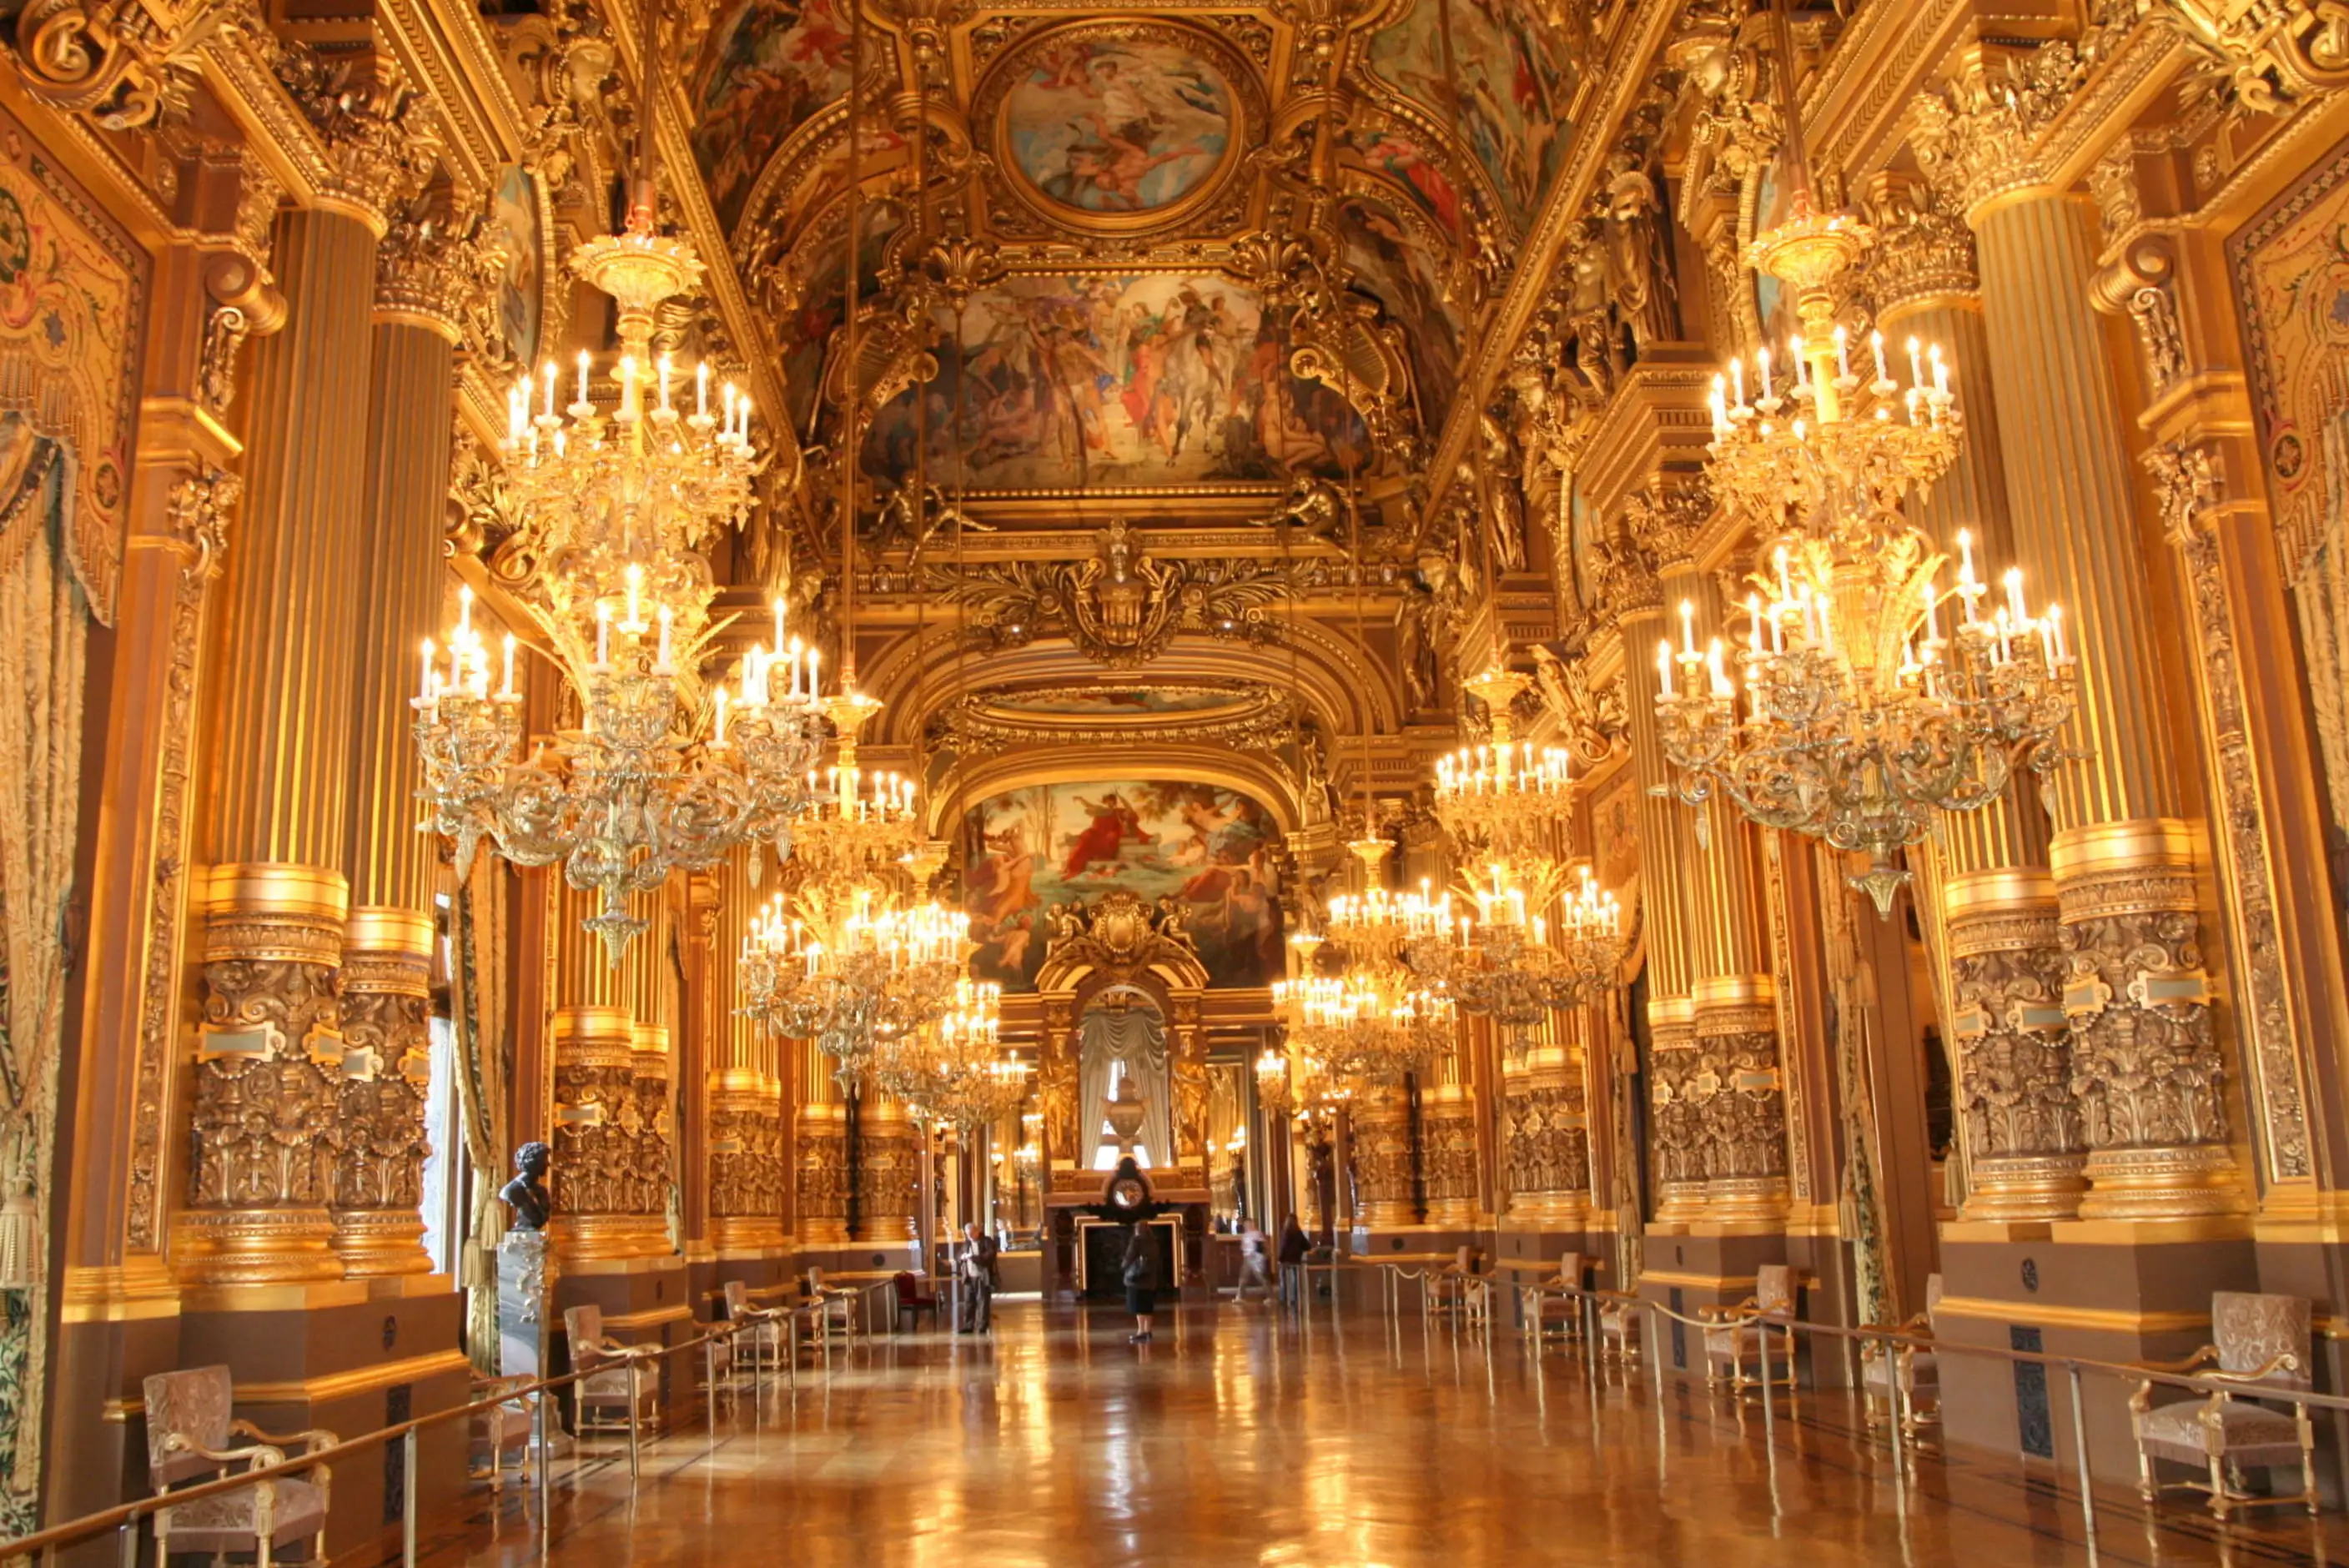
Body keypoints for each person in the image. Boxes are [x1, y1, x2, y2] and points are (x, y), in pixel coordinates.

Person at [958, 1221, 998, 1334]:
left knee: (983, 1302)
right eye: (967, 1235)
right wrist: (961, 1257)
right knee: (968, 1302)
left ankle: (982, 1325)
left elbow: (989, 1257)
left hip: (982, 1277)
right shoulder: (966, 1244)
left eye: (971, 1234)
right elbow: (958, 1255)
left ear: (977, 1231)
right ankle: (968, 1325)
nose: (970, 1237)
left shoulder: (987, 1242)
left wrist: (973, 1257)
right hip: (969, 1277)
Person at [1121, 1222, 1159, 1343]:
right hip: (1150, 1280)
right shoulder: (1153, 1242)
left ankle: (1141, 1331)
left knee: (1138, 1307)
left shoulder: (1136, 1241)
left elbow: (1129, 1256)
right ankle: (1148, 1331)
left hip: (1137, 1280)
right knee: (1148, 1307)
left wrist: (1124, 1266)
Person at [1276, 1212, 1310, 1311]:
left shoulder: (1286, 1232)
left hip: (1286, 1259)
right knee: (1295, 1279)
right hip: (1296, 1259)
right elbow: (1307, 1246)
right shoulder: (1299, 1233)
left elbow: (1284, 1247)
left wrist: (1280, 1258)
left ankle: (1283, 1297)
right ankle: (1294, 1298)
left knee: (1283, 1279)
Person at [1235, 1220, 1271, 1303]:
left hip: (1256, 1259)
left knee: (1261, 1277)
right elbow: (1244, 1246)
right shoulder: (1246, 1235)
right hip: (1247, 1258)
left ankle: (1270, 1296)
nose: (1246, 1226)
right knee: (1243, 1278)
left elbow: (1261, 1247)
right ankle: (1240, 1296)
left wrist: (1261, 1256)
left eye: (1248, 1225)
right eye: (1245, 1225)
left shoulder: (1257, 1234)